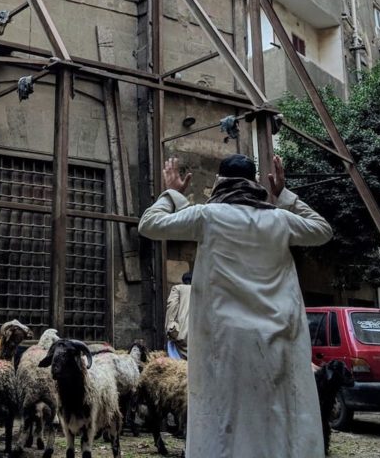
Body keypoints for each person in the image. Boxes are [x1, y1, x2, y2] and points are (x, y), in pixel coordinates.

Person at [139, 153, 332, 458]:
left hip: (224, 344)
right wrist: (284, 195)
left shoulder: (206, 216)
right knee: (275, 418)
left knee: (225, 420)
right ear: (256, 183)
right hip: (276, 341)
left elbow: (150, 224)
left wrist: (174, 193)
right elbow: (322, 230)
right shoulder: (279, 219)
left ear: (219, 183)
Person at [165, 271, 191, 359]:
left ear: (184, 281)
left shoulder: (178, 288)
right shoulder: (202, 291)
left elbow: (172, 306)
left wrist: (170, 325)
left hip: (183, 329)